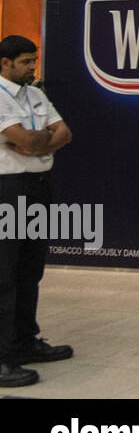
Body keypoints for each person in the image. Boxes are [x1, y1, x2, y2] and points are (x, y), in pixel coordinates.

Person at [0, 36, 73, 388]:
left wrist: (34, 140)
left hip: (38, 187)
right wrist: (37, 140)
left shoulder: (35, 94)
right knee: (5, 275)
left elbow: (65, 133)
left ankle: (24, 341)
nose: (33, 67)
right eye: (26, 61)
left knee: (31, 270)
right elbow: (30, 140)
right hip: (8, 190)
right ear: (5, 62)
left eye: (34, 60)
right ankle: (2, 359)